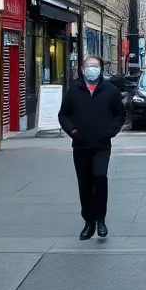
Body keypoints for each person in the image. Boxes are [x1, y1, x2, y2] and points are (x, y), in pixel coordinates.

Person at [58, 56, 126, 240]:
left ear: (101, 69)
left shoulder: (110, 90)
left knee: (100, 176)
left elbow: (120, 114)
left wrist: (110, 131)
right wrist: (72, 130)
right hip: (80, 145)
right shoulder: (74, 91)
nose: (92, 69)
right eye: (89, 66)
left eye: (95, 66)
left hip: (102, 145)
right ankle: (89, 222)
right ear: (82, 70)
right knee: (85, 183)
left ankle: (101, 220)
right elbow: (63, 114)